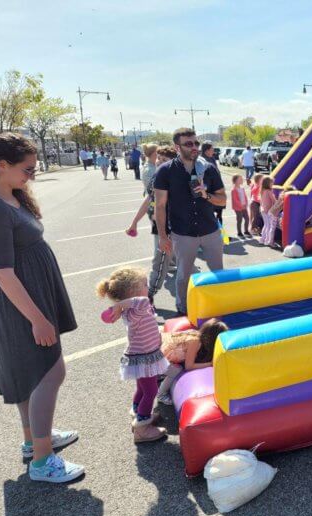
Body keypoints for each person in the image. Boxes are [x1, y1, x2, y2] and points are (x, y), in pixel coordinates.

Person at [0, 133, 83, 483]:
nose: (32, 176)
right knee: (50, 373)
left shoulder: (10, 199)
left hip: (34, 295)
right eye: (27, 169)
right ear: (2, 166)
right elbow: (3, 273)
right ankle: (42, 461)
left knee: (32, 373)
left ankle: (33, 441)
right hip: (22, 303)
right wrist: (38, 319)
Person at [154, 128, 227, 316]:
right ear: (177, 147)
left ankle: (219, 305)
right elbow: (160, 206)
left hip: (210, 231)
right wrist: (162, 236)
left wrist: (206, 194)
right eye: (189, 144)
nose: (194, 147)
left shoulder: (208, 168)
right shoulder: (165, 171)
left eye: (196, 143)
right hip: (182, 233)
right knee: (183, 276)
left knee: (218, 273)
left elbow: (223, 200)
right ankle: (183, 309)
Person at [96, 267, 169, 443]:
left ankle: (139, 412)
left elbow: (144, 302)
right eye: (144, 284)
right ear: (132, 293)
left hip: (143, 356)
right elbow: (144, 301)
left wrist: (123, 304)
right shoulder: (136, 308)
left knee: (143, 389)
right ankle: (142, 429)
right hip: (143, 358)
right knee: (151, 391)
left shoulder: (134, 308)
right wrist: (121, 304)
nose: (148, 286)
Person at [125, 145, 177, 305]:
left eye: (164, 160)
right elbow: (148, 201)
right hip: (163, 227)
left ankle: (189, 296)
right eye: (159, 159)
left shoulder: (179, 177)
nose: (160, 162)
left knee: (185, 263)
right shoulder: (156, 178)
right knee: (160, 262)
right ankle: (148, 297)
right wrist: (134, 222)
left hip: (180, 227)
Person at [156, 318, 228, 404]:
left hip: (157, 351)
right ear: (213, 338)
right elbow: (189, 366)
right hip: (156, 359)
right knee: (176, 370)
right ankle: (161, 394)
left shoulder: (196, 334)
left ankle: (159, 375)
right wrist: (210, 364)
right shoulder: (195, 342)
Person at [201, 141, 224, 225]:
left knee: (219, 215)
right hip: (209, 194)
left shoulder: (212, 159)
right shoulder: (202, 161)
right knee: (210, 217)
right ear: (206, 151)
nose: (213, 151)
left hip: (217, 191)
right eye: (212, 149)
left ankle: (222, 236)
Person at [260, 175, 280, 246]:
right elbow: (274, 201)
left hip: (263, 210)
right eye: (272, 183)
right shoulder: (269, 191)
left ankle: (262, 239)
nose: (273, 185)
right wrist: (280, 202)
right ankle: (267, 241)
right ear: (267, 184)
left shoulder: (263, 190)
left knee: (266, 225)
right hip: (267, 210)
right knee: (269, 226)